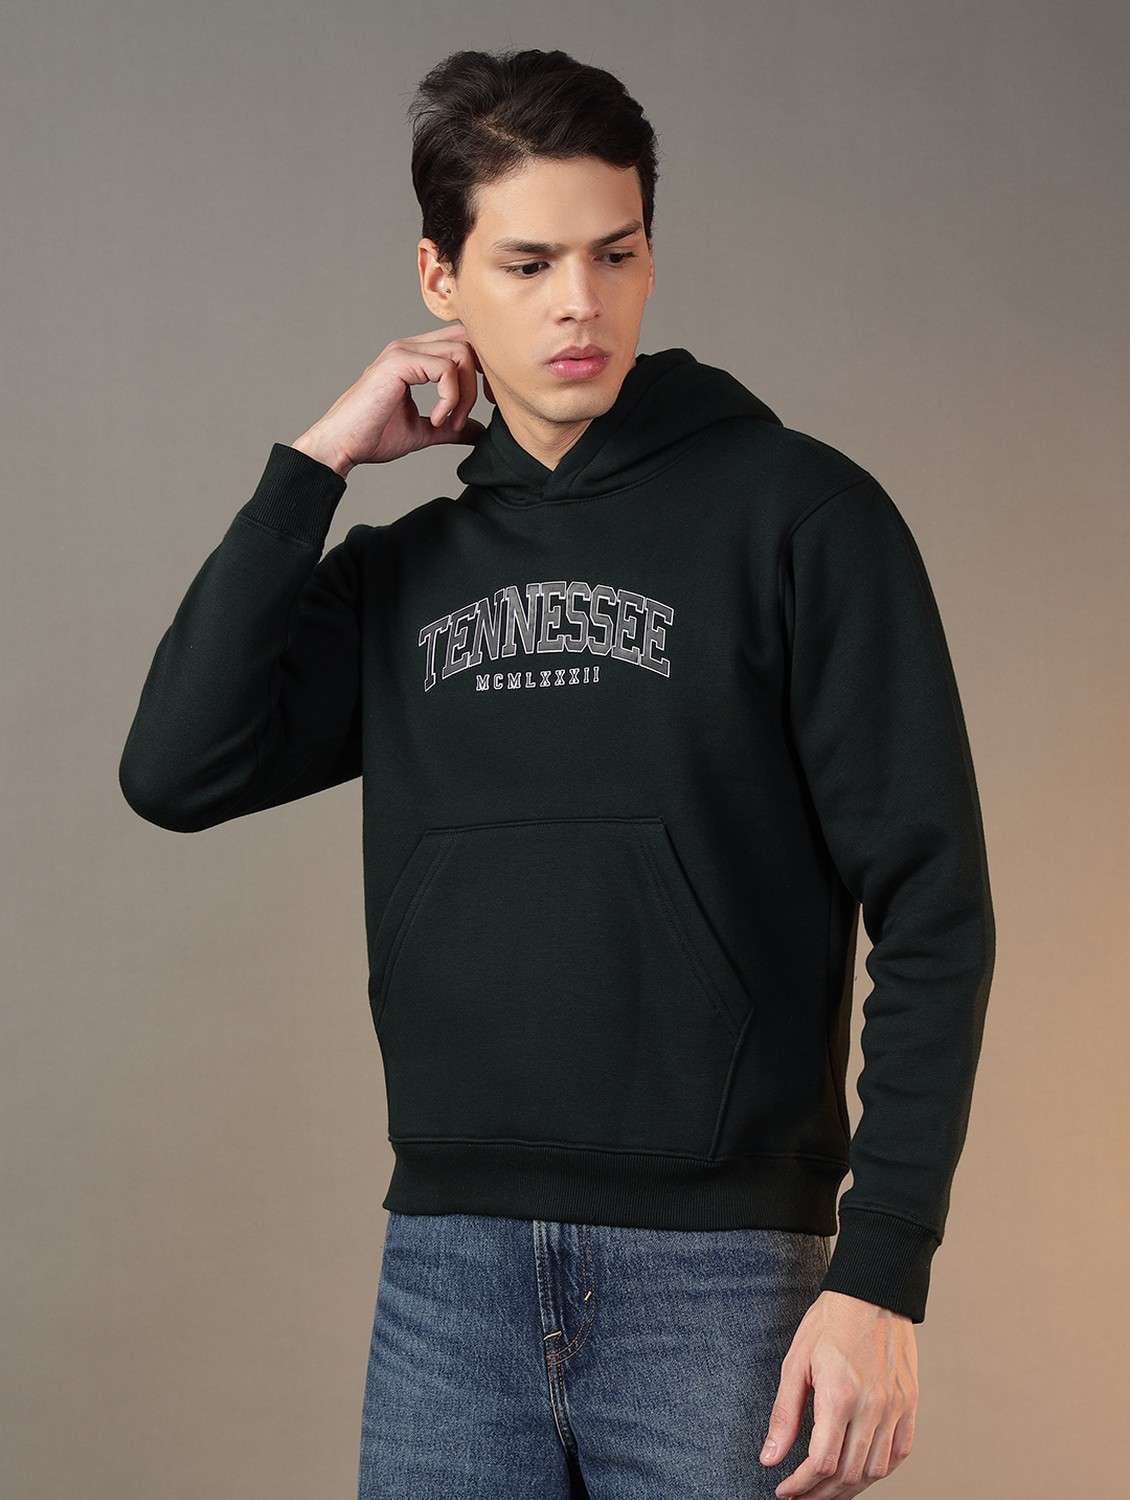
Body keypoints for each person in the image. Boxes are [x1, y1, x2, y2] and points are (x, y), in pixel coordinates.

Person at [118, 45, 995, 1500]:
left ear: (650, 254)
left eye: (615, 253)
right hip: (448, 1278)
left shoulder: (801, 519)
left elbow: (935, 907)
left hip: (724, 1280)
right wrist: (317, 465)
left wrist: (881, 1274)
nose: (580, 303)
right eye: (527, 264)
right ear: (440, 276)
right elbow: (175, 766)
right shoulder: (409, 573)